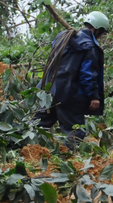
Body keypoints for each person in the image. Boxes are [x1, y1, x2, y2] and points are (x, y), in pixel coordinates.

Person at [34, 11, 108, 149]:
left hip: (48, 90)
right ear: (98, 29)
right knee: (76, 131)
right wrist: (94, 96)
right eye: (102, 33)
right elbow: (87, 74)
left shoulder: (63, 38)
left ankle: (17, 148)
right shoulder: (89, 46)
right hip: (68, 95)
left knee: (35, 126)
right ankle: (64, 158)